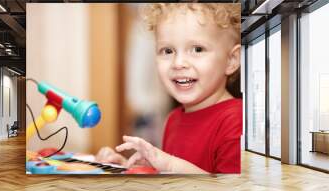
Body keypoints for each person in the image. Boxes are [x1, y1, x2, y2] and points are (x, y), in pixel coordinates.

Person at [96, 3, 242, 174]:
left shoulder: (236, 121)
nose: (178, 63)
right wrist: (128, 167)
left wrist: (169, 164)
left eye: (197, 49)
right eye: (167, 51)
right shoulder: (172, 120)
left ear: (231, 60)